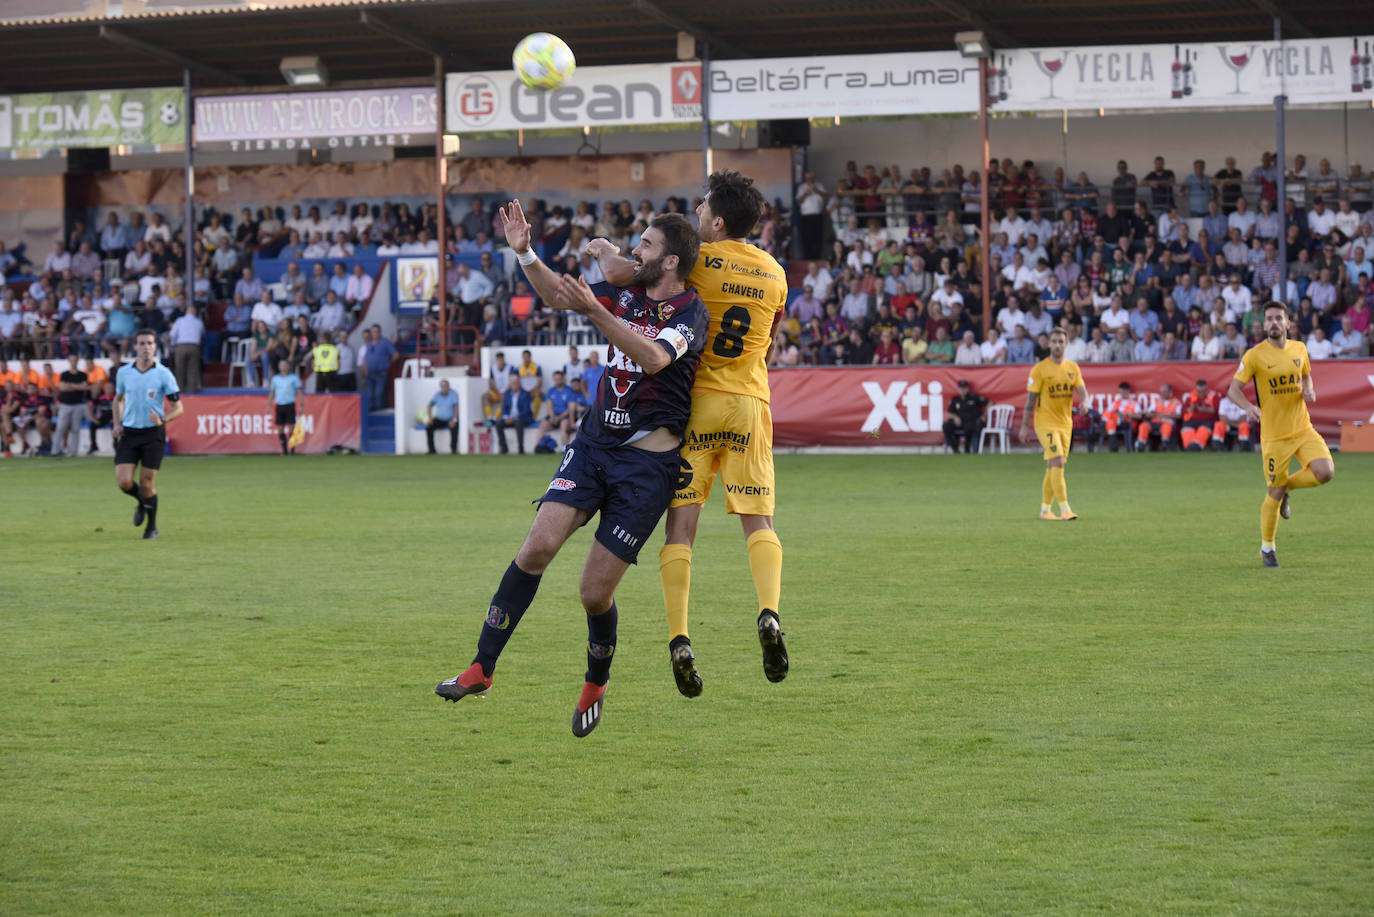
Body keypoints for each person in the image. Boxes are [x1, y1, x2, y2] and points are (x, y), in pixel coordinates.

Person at [434, 201, 707, 738]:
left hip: (647, 468)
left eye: (646, 246)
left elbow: (654, 358)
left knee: (592, 593)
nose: (636, 252)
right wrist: (526, 254)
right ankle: (482, 667)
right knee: (535, 548)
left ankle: (596, 681)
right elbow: (560, 296)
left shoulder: (690, 313)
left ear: (671, 262)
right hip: (593, 446)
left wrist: (597, 312)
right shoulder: (625, 293)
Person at [592, 169, 789, 698]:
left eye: (702, 207)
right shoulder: (775, 274)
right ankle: (769, 613)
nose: (696, 213)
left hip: (697, 406)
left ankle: (680, 637)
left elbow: (618, 272)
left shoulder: (697, 262)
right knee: (758, 519)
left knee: (681, 530)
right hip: (750, 402)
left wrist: (603, 245)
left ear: (718, 220)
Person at [1227, 301, 1335, 567]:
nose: (1273, 323)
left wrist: (1309, 389)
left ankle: (1288, 487)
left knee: (1326, 472)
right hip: (1274, 436)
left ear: (1288, 323)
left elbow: (1306, 376)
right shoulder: (1254, 356)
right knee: (1273, 492)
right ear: (1263, 324)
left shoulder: (1300, 348)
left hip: (1302, 428)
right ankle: (1267, 548)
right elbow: (1233, 390)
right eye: (1269, 319)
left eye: (1278, 318)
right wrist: (1249, 407)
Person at [113, 328, 182, 539]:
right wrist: (117, 423)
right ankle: (142, 503)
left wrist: (163, 419)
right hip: (130, 433)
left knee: (147, 484)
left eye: (150, 343)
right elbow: (118, 400)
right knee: (123, 481)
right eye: (142, 343)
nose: (146, 347)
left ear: (155, 347)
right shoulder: (124, 372)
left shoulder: (164, 374)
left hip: (153, 434)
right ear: (135, 347)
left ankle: (152, 528)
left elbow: (178, 408)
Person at [1020, 327, 1089, 520]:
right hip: (1045, 423)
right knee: (1057, 459)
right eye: (1054, 341)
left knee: (1053, 465)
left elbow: (1083, 392)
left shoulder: (1073, 368)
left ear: (1066, 344)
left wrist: (1085, 403)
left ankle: (1045, 510)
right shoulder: (1040, 369)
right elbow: (1030, 400)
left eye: (1061, 341)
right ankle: (1065, 509)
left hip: (1065, 424)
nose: (1057, 345)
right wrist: (1025, 426)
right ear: (1048, 344)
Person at [51, 353, 88, 458]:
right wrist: (77, 386)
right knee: (60, 428)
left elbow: (84, 387)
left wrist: (70, 385)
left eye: (75, 360)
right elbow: (62, 388)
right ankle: (55, 450)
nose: (73, 362)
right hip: (65, 404)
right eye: (71, 360)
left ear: (77, 361)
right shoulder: (64, 374)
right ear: (69, 361)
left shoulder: (82, 375)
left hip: (78, 405)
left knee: (75, 429)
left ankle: (73, 452)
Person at [267, 359, 303, 456]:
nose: (283, 367)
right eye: (281, 365)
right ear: (279, 367)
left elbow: (299, 392)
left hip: (290, 405)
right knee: (280, 429)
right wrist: (268, 405)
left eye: (285, 365)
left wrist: (301, 405)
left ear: (288, 367)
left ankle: (292, 450)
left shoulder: (294, 378)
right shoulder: (275, 379)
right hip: (279, 405)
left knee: (291, 429)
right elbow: (272, 393)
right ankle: (284, 450)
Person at [943, 379, 986, 453]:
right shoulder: (955, 399)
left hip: (971, 422)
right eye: (961, 388)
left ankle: (967, 448)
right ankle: (955, 448)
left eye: (964, 388)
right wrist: (955, 418)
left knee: (969, 427)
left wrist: (984, 415)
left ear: (967, 388)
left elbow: (989, 403)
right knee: (946, 426)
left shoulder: (974, 397)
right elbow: (949, 413)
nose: (962, 390)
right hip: (959, 422)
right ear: (958, 389)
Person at [1135, 383, 1181, 452]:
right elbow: (1148, 414)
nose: (1162, 394)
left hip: (1167, 422)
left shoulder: (1177, 402)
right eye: (1161, 392)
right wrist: (1153, 414)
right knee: (1143, 425)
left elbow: (1179, 416)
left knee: (1166, 427)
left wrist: (1166, 415)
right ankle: (1141, 444)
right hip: (1154, 422)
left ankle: (1164, 444)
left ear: (1170, 392)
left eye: (1164, 392)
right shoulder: (1156, 401)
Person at [425, 377, 460, 454]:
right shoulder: (437, 395)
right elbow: (429, 406)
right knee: (429, 426)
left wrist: (454, 420)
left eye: (445, 386)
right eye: (442, 386)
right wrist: (430, 419)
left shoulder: (453, 394)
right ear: (440, 387)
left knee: (455, 426)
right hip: (439, 419)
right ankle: (432, 450)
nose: (444, 388)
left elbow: (456, 407)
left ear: (448, 386)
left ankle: (453, 449)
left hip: (450, 419)